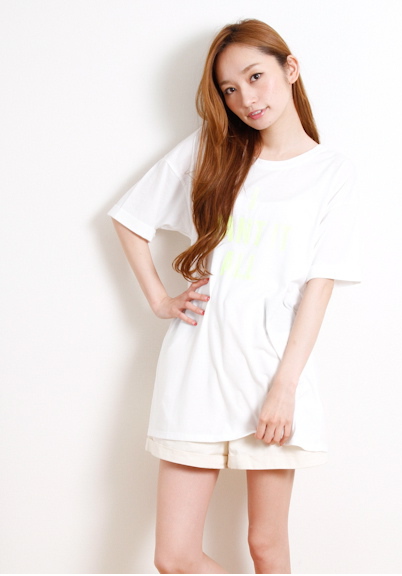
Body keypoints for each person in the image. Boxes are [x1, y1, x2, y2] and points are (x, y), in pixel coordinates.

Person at [109, 18, 361, 575]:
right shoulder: (211, 149)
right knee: (174, 557)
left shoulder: (331, 173)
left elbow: (319, 289)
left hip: (272, 374)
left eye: (255, 76)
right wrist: (159, 300)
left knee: (266, 547)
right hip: (197, 367)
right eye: (229, 88)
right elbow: (129, 219)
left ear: (290, 69)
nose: (246, 98)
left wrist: (285, 389)